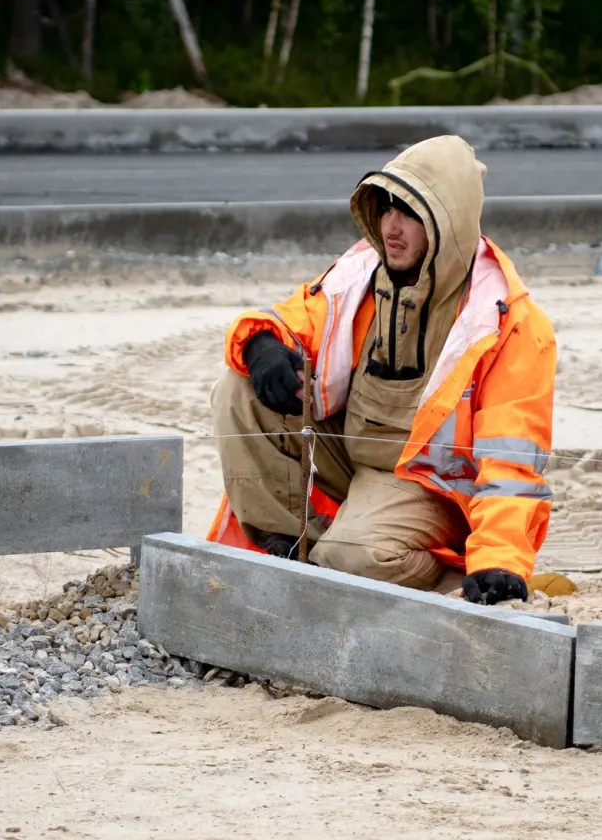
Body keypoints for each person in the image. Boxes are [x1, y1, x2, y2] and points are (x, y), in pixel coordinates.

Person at [207, 135, 557, 605]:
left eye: (409, 213)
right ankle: (295, 549)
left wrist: (499, 559)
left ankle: (435, 574)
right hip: (355, 456)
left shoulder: (504, 322)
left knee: (355, 556)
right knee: (239, 390)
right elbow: (293, 320)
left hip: (432, 486)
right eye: (386, 208)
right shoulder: (361, 275)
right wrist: (263, 344)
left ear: (448, 220)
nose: (391, 226)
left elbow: (511, 459)